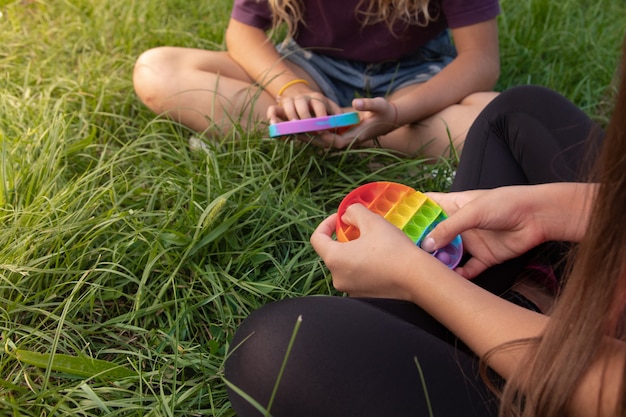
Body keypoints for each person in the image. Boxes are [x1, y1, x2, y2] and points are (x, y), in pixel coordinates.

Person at [222, 40, 626, 415]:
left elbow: (604, 387)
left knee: (272, 349)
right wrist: (556, 209)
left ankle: (520, 310)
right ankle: (532, 301)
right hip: (595, 307)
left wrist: (417, 277)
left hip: (578, 382)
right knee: (518, 111)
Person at [132, 0, 501, 157]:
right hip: (309, 68)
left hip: (413, 80)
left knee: (495, 118)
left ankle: (327, 138)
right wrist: (292, 89)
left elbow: (481, 59)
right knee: (157, 70)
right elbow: (242, 33)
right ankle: (349, 139)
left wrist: (399, 113)